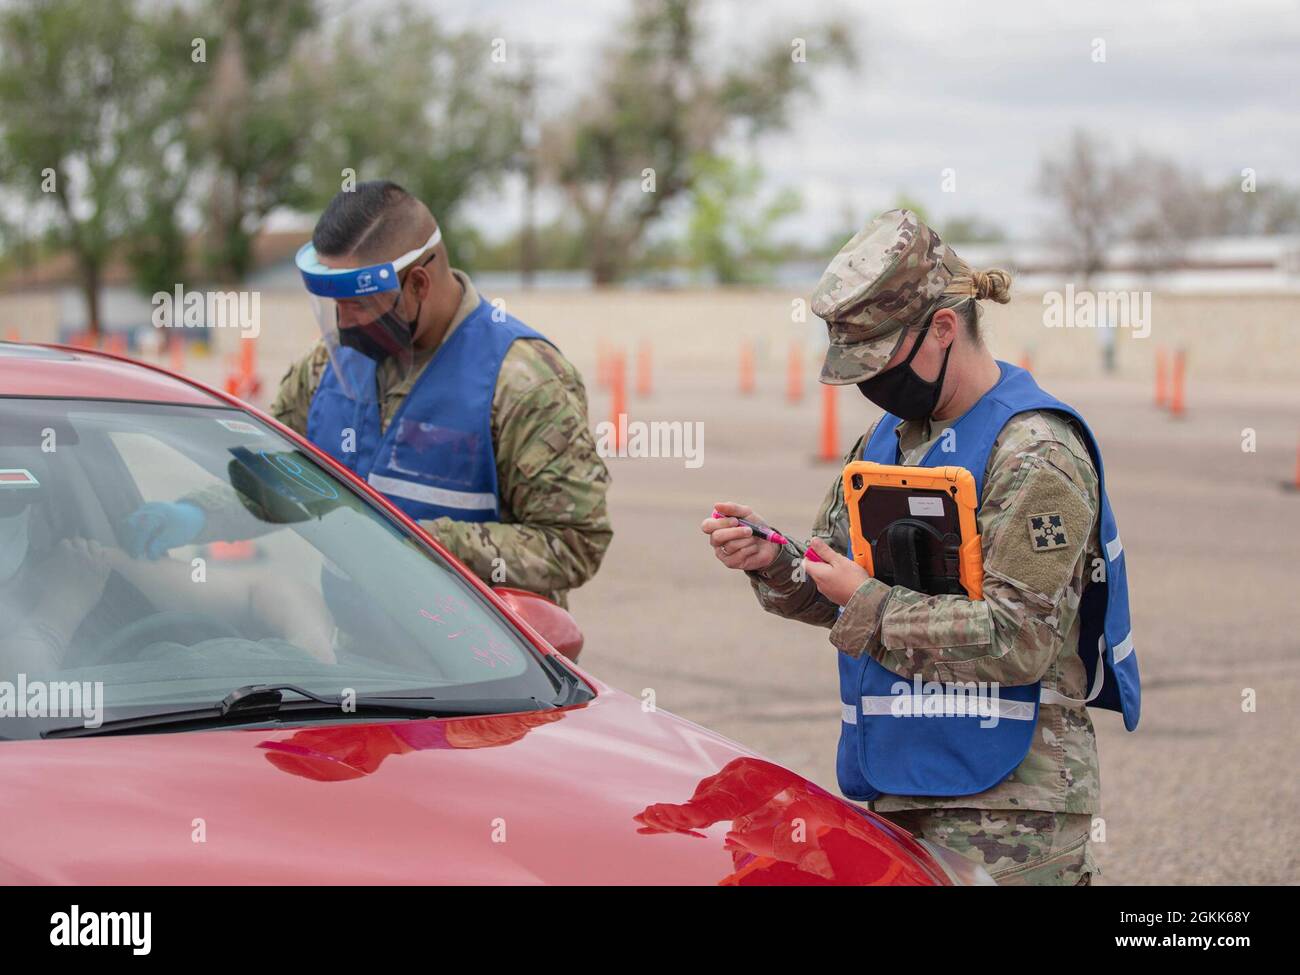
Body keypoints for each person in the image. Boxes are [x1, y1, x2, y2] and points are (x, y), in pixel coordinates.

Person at [701, 210, 1140, 885]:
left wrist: (870, 603)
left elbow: (1019, 635)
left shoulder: (1036, 451)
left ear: (942, 328)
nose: (871, 384)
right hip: (900, 781)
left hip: (1013, 807)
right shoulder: (890, 440)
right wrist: (777, 562)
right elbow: (837, 584)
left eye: (879, 361)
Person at [122, 181, 611, 608]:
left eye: (358, 304)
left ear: (418, 283)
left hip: (488, 686)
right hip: (367, 668)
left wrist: (421, 542)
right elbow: (283, 484)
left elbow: (574, 543)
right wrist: (196, 514)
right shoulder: (326, 368)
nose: (344, 324)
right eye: (335, 305)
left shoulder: (521, 380)